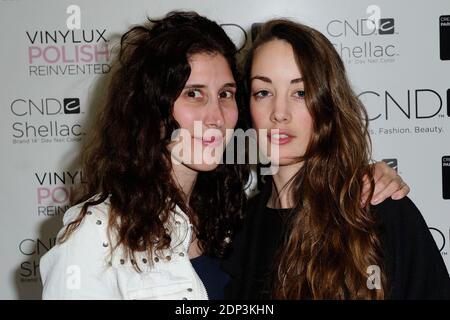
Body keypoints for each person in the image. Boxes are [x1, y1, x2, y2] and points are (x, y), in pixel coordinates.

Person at [40, 11, 408, 300]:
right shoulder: (97, 234)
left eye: (226, 93)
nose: (215, 117)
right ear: (150, 108)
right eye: (194, 94)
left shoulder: (229, 221)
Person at [223, 19, 450, 299]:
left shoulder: (376, 208)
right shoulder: (241, 226)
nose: (279, 113)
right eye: (264, 92)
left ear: (327, 103)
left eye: (300, 93)